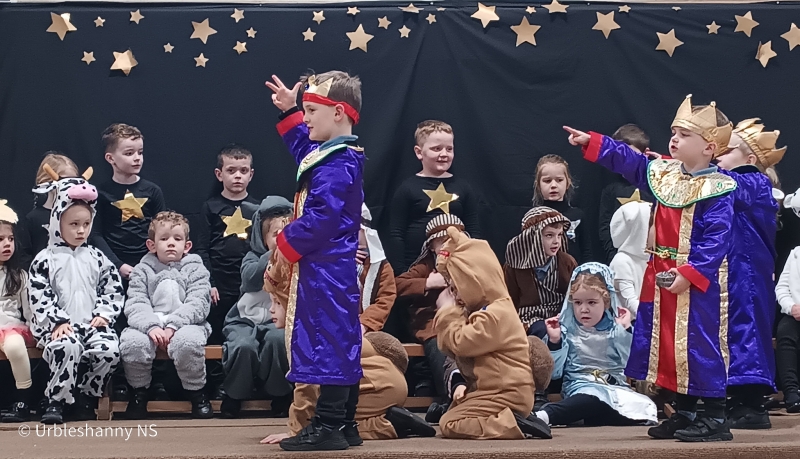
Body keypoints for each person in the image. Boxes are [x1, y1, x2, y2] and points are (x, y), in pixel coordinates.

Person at [565, 94, 737, 441]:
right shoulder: (664, 173)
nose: (674, 139)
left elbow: (718, 238)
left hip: (698, 282)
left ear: (709, 148)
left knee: (700, 345)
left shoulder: (719, 187)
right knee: (670, 347)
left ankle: (715, 417)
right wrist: (594, 143)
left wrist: (690, 274)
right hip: (662, 276)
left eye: (684, 135)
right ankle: (685, 413)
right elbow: (630, 161)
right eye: (673, 132)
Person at [265, 70, 365, 451]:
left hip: (326, 270)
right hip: (328, 268)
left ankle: (329, 425)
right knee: (338, 339)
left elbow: (321, 218)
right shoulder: (332, 155)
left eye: (310, 111)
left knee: (328, 342)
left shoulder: (338, 164)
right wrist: (289, 111)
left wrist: (284, 242)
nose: (305, 119)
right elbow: (304, 151)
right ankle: (345, 424)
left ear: (338, 112)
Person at [260, 295, 435, 445]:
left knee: (328, 426)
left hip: (377, 386)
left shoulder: (306, 332)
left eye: (278, 303)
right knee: (334, 416)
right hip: (385, 379)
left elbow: (306, 386)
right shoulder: (325, 321)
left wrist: (297, 431)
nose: (271, 309)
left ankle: (389, 425)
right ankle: (391, 419)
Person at [434, 226, 551, 440]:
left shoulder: (496, 313)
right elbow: (450, 348)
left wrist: (447, 312)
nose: (454, 292)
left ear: (476, 280)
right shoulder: (486, 310)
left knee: (450, 423)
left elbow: (461, 343)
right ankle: (512, 418)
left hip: (506, 393)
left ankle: (512, 423)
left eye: (457, 285)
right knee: (453, 412)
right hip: (491, 391)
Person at [28, 167, 123, 424]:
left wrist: (104, 314)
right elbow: (39, 294)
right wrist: (57, 321)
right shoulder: (45, 258)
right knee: (66, 347)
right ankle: (57, 400)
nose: (81, 230)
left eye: (86, 224)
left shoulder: (96, 257)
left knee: (109, 350)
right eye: (73, 224)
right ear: (57, 222)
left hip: (91, 323)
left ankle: (86, 396)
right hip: (58, 327)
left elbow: (112, 287)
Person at [715, 118, 786, 429]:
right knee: (732, 330)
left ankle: (753, 404)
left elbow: (725, 185)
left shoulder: (754, 182)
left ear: (750, 158)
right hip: (732, 272)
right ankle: (736, 399)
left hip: (748, 274)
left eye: (726, 150)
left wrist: (694, 165)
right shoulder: (733, 183)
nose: (717, 154)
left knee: (748, 329)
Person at [92, 123, 167, 402]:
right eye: (129, 153)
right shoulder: (100, 193)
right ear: (110, 158)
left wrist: (151, 264)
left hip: (149, 268)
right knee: (119, 324)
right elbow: (95, 234)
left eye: (140, 152)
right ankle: (121, 380)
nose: (137, 158)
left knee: (154, 321)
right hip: (114, 270)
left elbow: (162, 230)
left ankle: (156, 380)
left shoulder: (152, 190)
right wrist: (118, 265)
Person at [535, 263, 657, 427]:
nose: (583, 309)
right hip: (582, 386)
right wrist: (555, 341)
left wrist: (624, 329)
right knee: (591, 398)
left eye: (591, 303)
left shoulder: (615, 328)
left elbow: (631, 364)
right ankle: (544, 416)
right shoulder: (567, 330)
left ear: (606, 302)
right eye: (578, 303)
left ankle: (583, 415)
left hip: (616, 388)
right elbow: (555, 374)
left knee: (646, 406)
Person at [120, 211, 213, 419]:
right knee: (132, 343)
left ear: (186, 246)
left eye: (177, 239)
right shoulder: (142, 270)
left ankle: (197, 393)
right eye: (164, 239)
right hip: (149, 324)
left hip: (186, 324)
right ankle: (139, 393)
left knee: (188, 343)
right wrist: (151, 326)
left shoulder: (196, 269)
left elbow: (198, 302)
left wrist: (173, 325)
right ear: (152, 245)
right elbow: (136, 303)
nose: (171, 243)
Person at [221, 196, 293, 419]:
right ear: (262, 238)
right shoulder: (252, 258)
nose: (282, 239)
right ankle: (234, 394)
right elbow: (251, 280)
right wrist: (273, 254)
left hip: (277, 321)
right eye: (276, 235)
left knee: (277, 341)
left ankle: (280, 394)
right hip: (244, 320)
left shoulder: (296, 261)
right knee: (243, 346)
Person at [388, 120, 480, 273]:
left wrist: (473, 264)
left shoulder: (464, 188)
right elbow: (396, 234)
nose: (444, 154)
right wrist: (401, 272)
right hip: (416, 266)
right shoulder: (407, 189)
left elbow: (473, 231)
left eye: (449, 149)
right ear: (419, 152)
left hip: (457, 264)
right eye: (436, 149)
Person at [394, 214, 466, 401]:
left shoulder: (471, 262)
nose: (448, 245)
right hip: (433, 322)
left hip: (466, 318)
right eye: (442, 241)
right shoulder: (425, 266)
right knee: (439, 343)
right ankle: (450, 393)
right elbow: (397, 285)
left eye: (452, 239)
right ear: (432, 246)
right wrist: (427, 283)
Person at [195, 144, 258, 347]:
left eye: (243, 171)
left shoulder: (257, 209)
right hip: (218, 286)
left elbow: (261, 250)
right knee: (215, 336)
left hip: (247, 284)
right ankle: (214, 370)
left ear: (251, 174)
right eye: (231, 170)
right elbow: (202, 248)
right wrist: (209, 282)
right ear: (219, 174)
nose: (238, 176)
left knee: (244, 335)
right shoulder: (210, 207)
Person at [504, 206, 577, 338]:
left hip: (561, 315)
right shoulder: (514, 266)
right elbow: (509, 301)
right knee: (543, 331)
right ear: (533, 237)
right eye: (549, 235)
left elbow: (574, 296)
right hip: (530, 318)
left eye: (559, 235)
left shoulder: (567, 262)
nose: (556, 241)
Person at [598, 125, 654, 264]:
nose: (625, 162)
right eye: (620, 157)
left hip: (651, 258)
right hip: (621, 257)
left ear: (646, 153)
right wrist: (614, 257)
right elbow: (605, 228)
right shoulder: (611, 189)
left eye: (630, 156)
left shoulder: (655, 186)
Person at [0, 200, 34, 422]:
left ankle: (23, 400)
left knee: (14, 346)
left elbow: (29, 309)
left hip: (10, 328)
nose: (7, 244)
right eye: (0, 239)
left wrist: (35, 329)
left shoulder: (19, 275)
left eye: (10, 239)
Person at [531, 155, 591, 264]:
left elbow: (586, 251)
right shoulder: (533, 217)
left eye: (559, 180)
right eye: (547, 181)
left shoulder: (577, 215)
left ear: (567, 183)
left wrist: (584, 271)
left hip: (573, 272)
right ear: (538, 185)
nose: (553, 185)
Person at [26, 153, 79, 258]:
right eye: (65, 181)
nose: (70, 186)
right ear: (46, 182)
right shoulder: (33, 219)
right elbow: (26, 254)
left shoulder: (79, 215)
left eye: (74, 181)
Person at [776, 188, 800, 413]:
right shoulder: (796, 254)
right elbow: (782, 287)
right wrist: (791, 307)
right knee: (785, 331)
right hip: (795, 314)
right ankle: (792, 393)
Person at [609, 199, 653, 317]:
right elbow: (630, 303)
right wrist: (654, 317)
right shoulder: (621, 261)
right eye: (652, 226)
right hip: (631, 324)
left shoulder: (652, 258)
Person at [357, 204, 396, 334]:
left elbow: (386, 297)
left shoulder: (381, 266)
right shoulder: (332, 262)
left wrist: (365, 323)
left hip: (366, 327)